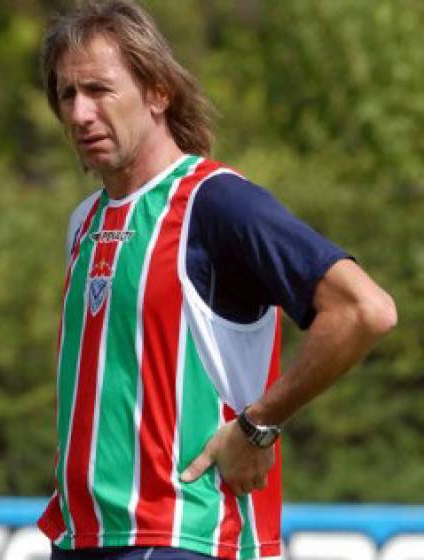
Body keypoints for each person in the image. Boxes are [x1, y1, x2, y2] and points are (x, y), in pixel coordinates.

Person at [36, 1, 397, 559]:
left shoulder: (216, 203)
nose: (80, 113)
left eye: (99, 90)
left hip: (187, 536)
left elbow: (364, 310)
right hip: (82, 536)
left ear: (158, 93)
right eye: (67, 95)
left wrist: (258, 426)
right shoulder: (85, 221)